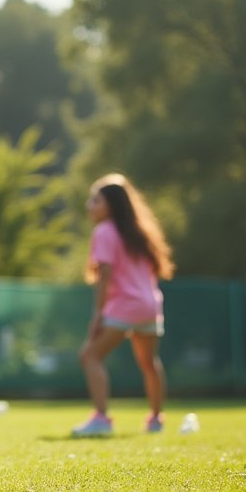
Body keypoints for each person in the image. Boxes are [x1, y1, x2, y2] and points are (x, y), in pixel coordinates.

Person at [72, 173, 174, 437]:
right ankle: (155, 420)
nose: (89, 206)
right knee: (150, 362)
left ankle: (101, 419)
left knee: (90, 356)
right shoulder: (141, 231)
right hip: (150, 305)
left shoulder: (105, 231)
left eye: (96, 201)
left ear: (111, 205)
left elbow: (104, 277)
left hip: (125, 306)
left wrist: (97, 315)